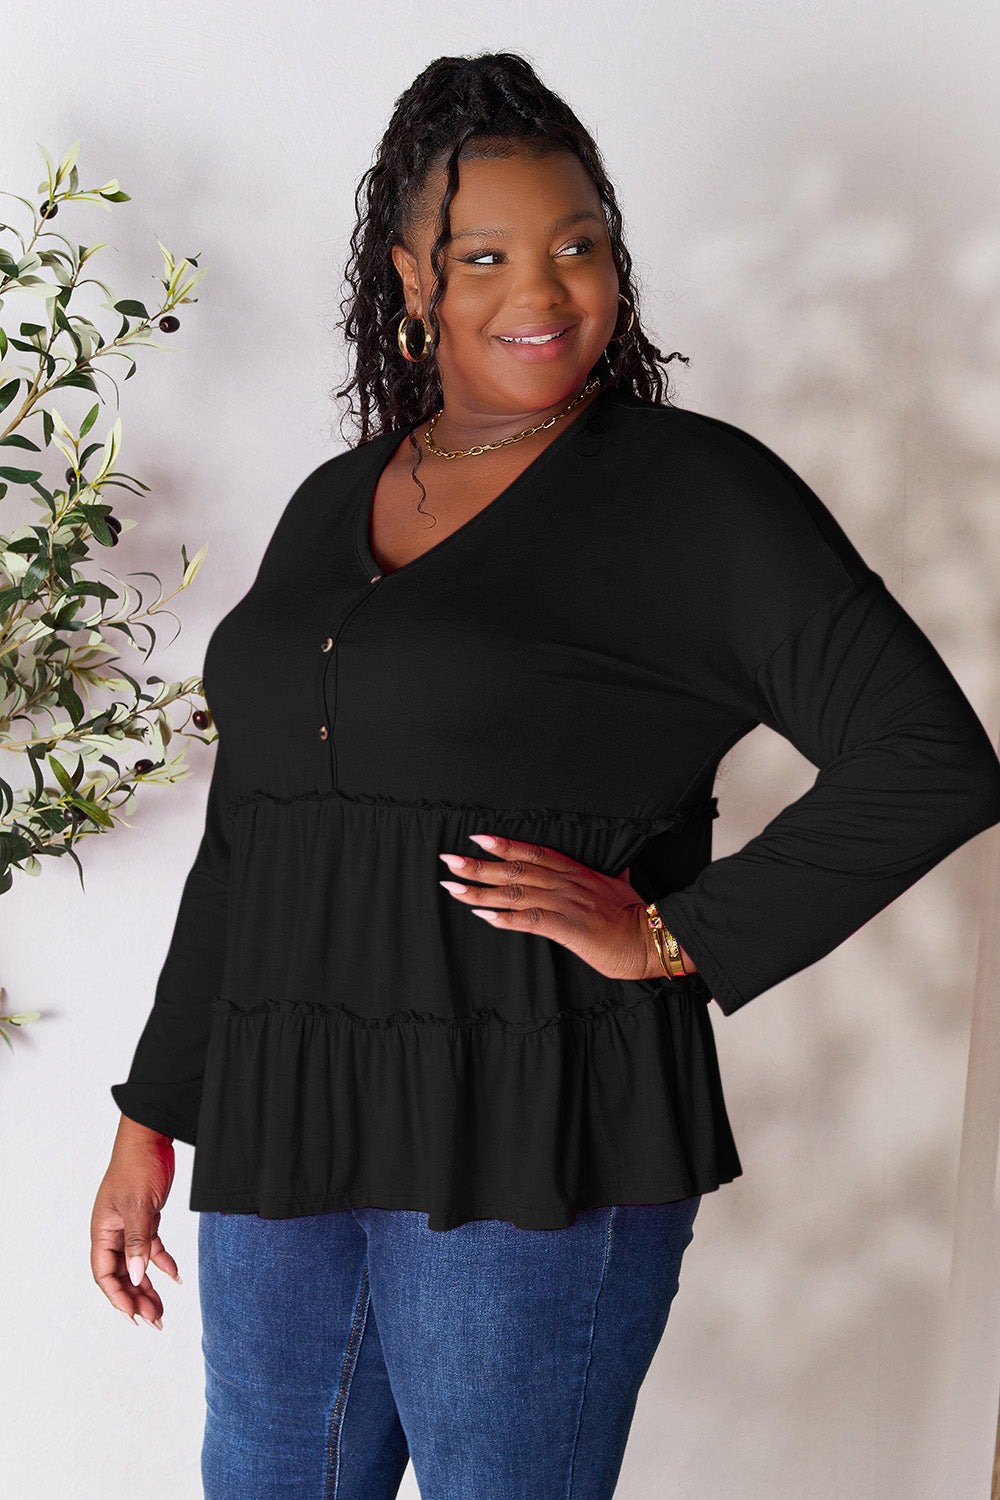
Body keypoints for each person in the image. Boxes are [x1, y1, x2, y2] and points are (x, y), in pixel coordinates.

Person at [90, 51, 1000, 1500]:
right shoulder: (340, 498)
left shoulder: (698, 495)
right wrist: (155, 1114)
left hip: (533, 1123)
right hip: (288, 1109)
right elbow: (257, 835)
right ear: (410, 276)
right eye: (487, 254)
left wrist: (669, 935)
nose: (545, 288)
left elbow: (932, 759)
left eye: (582, 244)